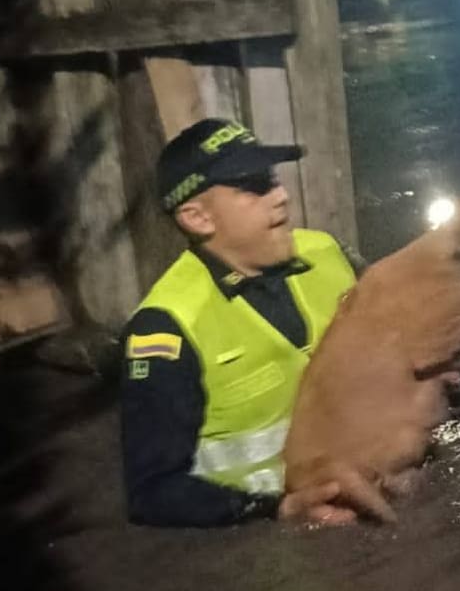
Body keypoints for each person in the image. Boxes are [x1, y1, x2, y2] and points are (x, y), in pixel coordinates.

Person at [120, 118, 358, 528]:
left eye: (272, 177)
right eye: (253, 185)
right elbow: (153, 492)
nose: (281, 195)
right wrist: (274, 509)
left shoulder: (328, 253)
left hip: (366, 482)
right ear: (198, 218)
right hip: (276, 538)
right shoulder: (167, 328)